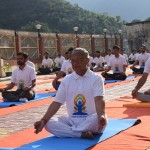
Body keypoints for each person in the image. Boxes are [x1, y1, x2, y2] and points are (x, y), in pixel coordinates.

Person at [34, 47, 107, 139]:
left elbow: (99, 99)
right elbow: (56, 102)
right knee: (49, 123)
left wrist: (101, 115)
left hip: (90, 120)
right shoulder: (66, 80)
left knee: (96, 120)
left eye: (79, 60)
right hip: (72, 120)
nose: (75, 64)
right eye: (73, 61)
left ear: (87, 61)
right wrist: (43, 120)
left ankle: (71, 131)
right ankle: (80, 134)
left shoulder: (96, 78)